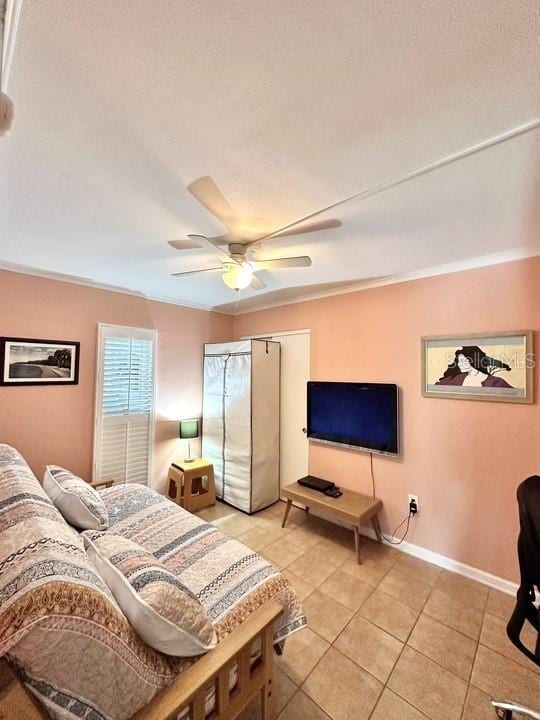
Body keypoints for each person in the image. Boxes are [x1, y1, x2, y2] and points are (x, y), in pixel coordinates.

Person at [436, 345, 513, 388]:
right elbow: (436, 387)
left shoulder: (496, 382)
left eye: (464, 361)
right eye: (459, 361)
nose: (459, 364)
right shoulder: (457, 378)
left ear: (474, 361)